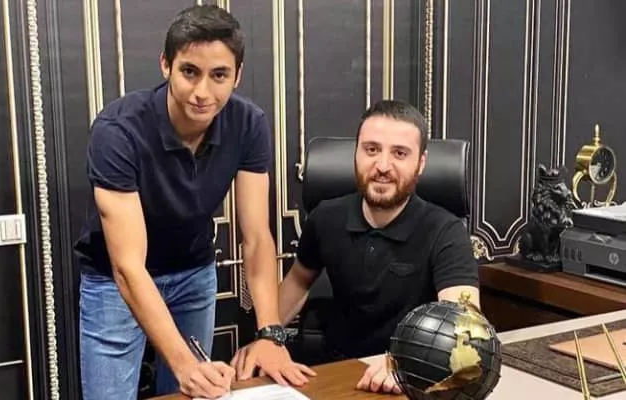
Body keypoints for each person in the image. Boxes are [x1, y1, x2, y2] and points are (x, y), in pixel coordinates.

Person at [74, 5, 314, 399]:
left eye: (219, 75)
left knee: (193, 394)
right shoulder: (117, 131)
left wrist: (270, 334)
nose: (203, 92)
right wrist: (184, 364)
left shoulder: (248, 123)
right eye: (190, 72)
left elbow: (256, 237)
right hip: (115, 283)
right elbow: (128, 266)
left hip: (192, 272)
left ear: (237, 75)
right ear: (166, 65)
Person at [231, 99, 480, 394]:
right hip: (335, 371)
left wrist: (406, 364)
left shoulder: (446, 231)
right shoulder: (326, 217)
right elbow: (298, 281)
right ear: (357, 152)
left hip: (406, 377)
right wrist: (265, 339)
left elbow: (462, 324)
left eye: (400, 153)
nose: (382, 166)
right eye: (371, 150)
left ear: (421, 163)